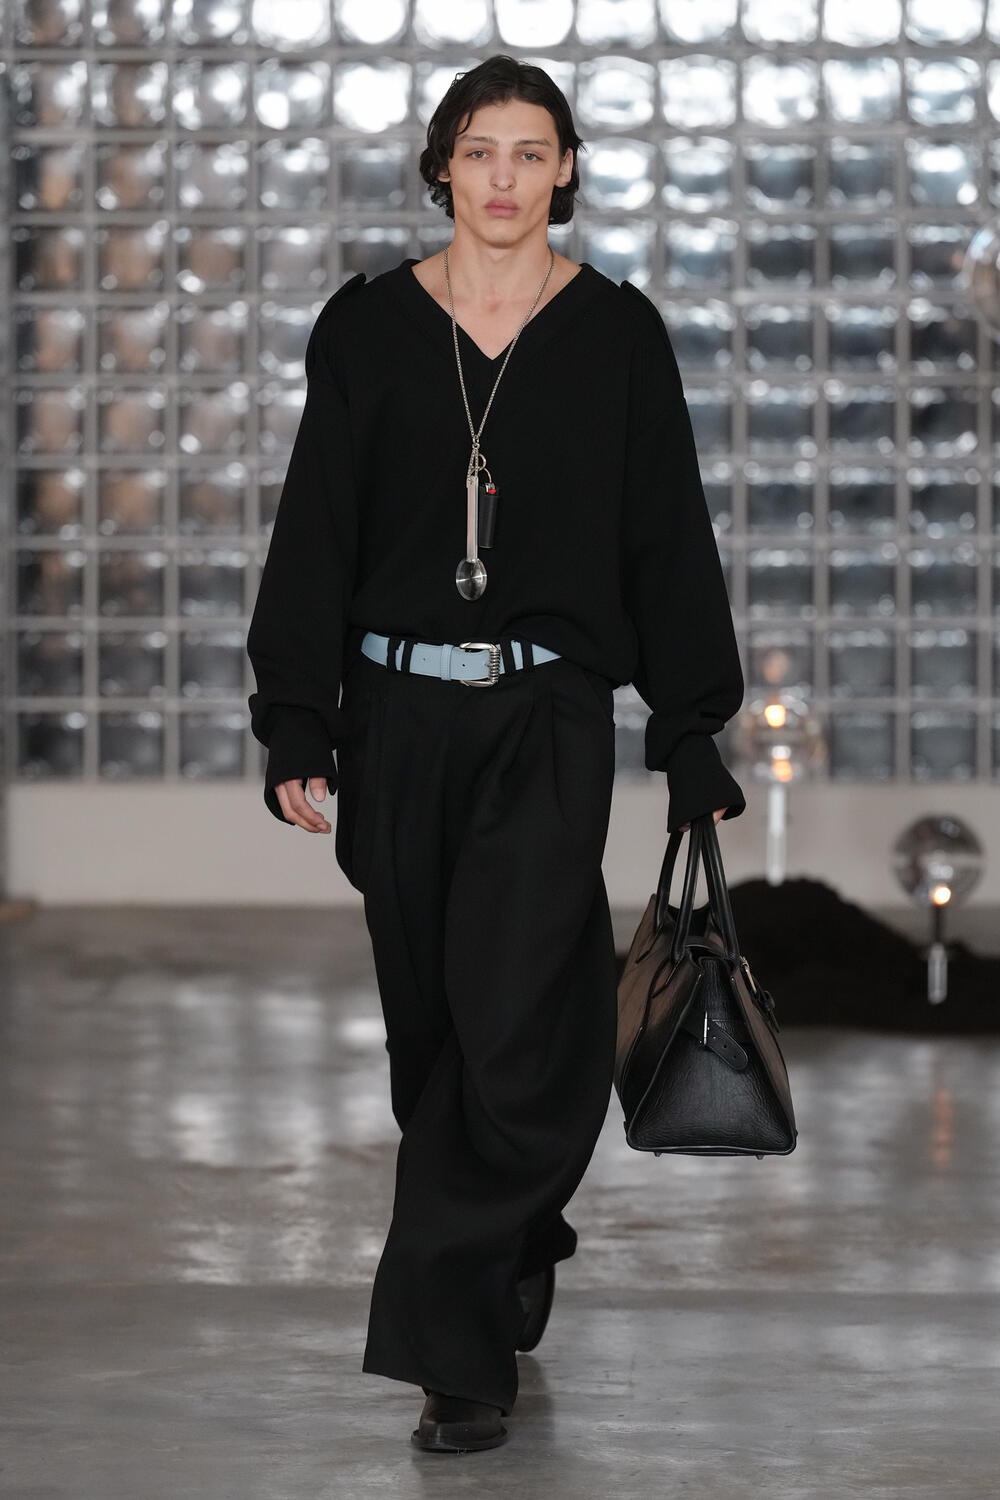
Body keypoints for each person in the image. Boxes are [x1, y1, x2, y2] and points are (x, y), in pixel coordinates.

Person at [246, 53, 746, 1455]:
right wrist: (296, 714)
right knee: (438, 1041)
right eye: (481, 152)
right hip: (397, 719)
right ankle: (511, 1234)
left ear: (566, 168)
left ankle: (453, 1354)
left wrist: (692, 725)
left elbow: (667, 537)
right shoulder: (365, 330)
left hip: (545, 719)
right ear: (443, 168)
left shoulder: (616, 335)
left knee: (523, 1027)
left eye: (532, 152)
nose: (506, 178)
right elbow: (316, 528)